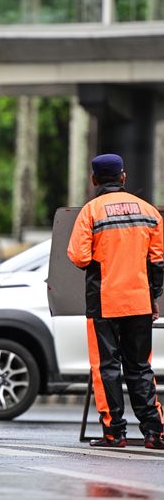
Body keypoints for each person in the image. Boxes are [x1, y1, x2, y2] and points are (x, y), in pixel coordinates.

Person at [67, 153, 164, 449]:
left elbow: (79, 256)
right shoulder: (148, 211)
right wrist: (153, 295)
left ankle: (114, 433)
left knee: (106, 368)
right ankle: (154, 432)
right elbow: (158, 261)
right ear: (123, 177)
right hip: (139, 302)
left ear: (94, 179)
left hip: (104, 303)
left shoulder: (91, 211)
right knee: (140, 367)